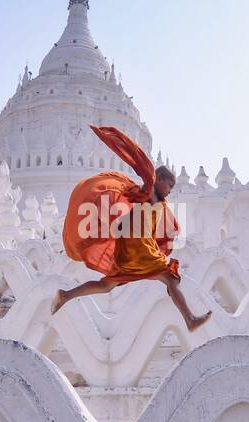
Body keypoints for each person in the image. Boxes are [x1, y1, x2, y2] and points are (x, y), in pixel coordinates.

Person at [51, 125, 212, 332]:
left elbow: (132, 223)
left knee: (106, 286)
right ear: (159, 180)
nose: (170, 191)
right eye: (169, 185)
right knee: (171, 279)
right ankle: (190, 320)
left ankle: (65, 295)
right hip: (139, 253)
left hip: (128, 255)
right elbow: (133, 217)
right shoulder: (148, 195)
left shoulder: (150, 200)